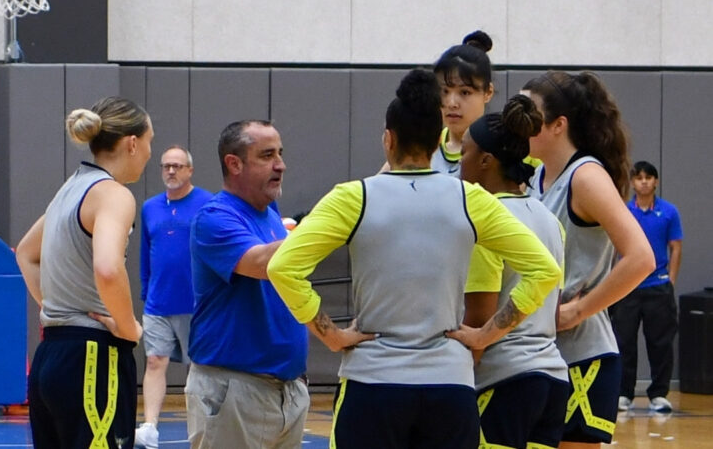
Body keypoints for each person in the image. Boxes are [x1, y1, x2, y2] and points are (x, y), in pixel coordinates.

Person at [267, 69, 561, 449]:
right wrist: (486, 334)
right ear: (438, 144)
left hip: (373, 384)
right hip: (449, 388)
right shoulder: (470, 199)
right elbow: (545, 270)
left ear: (388, 139)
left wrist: (333, 335)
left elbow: (282, 267)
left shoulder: (353, 197)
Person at [522, 71, 655, 448]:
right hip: (541, 354)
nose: (519, 122)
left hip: (583, 357)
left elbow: (641, 258)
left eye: (529, 114)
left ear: (558, 125)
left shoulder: (586, 176)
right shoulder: (534, 177)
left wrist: (577, 310)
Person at [15, 96, 152, 448]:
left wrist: (58, 309)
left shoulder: (69, 189)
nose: (151, 153)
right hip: (92, 357)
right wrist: (126, 327)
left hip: (51, 356)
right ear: (133, 143)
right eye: (150, 142)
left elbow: (26, 254)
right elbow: (107, 268)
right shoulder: (113, 194)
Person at [446, 94, 569, 448]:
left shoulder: (486, 223)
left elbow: (478, 323)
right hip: (552, 381)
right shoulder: (548, 218)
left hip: (504, 380)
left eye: (463, 152)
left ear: (485, 160)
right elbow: (553, 311)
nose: (457, 163)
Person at [185, 120, 309, 449]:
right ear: (234, 163)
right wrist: (326, 223)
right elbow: (265, 263)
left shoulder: (270, 215)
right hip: (235, 392)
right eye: (267, 155)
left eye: (280, 154)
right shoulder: (214, 217)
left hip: (288, 392)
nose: (280, 165)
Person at [134, 146, 213, 449]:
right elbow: (145, 254)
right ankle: (150, 427)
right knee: (154, 361)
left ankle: (201, 429)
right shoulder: (150, 207)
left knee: (200, 369)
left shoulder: (207, 204)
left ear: (190, 170)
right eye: (166, 166)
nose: (171, 171)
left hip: (197, 303)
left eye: (178, 166)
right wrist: (146, 289)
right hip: (158, 302)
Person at [610, 161, 682, 413]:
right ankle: (623, 393)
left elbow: (675, 247)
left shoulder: (669, 212)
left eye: (648, 178)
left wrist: (670, 280)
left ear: (656, 182)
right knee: (624, 341)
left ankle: (659, 394)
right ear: (632, 182)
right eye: (638, 178)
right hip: (626, 289)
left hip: (658, 288)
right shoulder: (623, 211)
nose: (643, 182)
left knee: (660, 343)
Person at [379, 30, 494, 175]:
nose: (452, 103)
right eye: (444, 91)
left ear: (488, 92)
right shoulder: (422, 142)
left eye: (465, 92)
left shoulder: (500, 149)